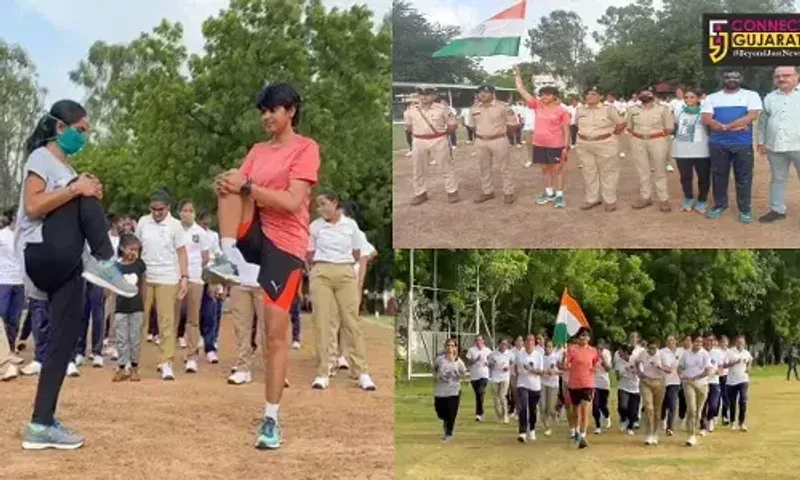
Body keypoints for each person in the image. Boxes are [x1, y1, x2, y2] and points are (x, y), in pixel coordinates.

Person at [202, 82, 325, 450]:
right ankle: (225, 257)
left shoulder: (306, 149)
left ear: (290, 111)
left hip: (286, 245)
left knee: (274, 333)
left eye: (272, 110)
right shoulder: (256, 150)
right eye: (263, 111)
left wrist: (248, 186)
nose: (266, 117)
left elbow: (291, 202)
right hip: (253, 232)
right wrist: (235, 184)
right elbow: (240, 188)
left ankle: (271, 417)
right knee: (229, 179)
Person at [16, 100, 137, 450]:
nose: (84, 137)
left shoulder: (68, 169)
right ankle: (105, 261)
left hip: (67, 262)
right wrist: (76, 190)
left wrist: (84, 188)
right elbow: (33, 206)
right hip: (42, 252)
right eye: (80, 130)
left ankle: (40, 425)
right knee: (83, 192)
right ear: (60, 128)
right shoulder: (41, 157)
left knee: (64, 342)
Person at [306, 191, 376, 391]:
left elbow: (357, 253)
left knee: (351, 322)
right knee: (322, 321)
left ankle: (361, 371)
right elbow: (309, 253)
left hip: (345, 272)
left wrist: (346, 267)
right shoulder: (315, 227)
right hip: (321, 271)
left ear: (335, 203)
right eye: (318, 206)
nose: (320, 209)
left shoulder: (350, 225)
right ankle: (323, 371)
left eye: (324, 204)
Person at [136, 188, 189, 381]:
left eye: (160, 209)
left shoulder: (175, 226)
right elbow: (137, 247)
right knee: (140, 318)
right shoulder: (143, 222)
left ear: (168, 208)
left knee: (166, 321)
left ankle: (166, 361)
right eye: (153, 209)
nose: (157, 213)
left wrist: (184, 277)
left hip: (168, 277)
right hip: (146, 276)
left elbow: (182, 252)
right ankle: (133, 360)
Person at [702, 70, 763, 223]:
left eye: (735, 77)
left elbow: (751, 116)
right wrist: (735, 126)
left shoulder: (751, 95)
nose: (731, 79)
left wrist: (726, 126)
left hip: (742, 144)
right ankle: (720, 205)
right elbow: (706, 119)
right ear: (723, 79)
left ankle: (745, 210)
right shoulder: (712, 97)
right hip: (718, 144)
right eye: (728, 77)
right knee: (719, 176)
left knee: (744, 178)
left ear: (740, 79)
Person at [514, 65, 572, 208]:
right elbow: (521, 90)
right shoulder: (537, 105)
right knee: (545, 169)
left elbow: (566, 129)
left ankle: (559, 195)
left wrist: (566, 147)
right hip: (539, 144)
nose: (543, 97)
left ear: (555, 96)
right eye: (541, 95)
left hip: (556, 145)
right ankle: (549, 192)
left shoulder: (562, 111)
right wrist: (517, 74)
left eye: (547, 94)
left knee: (558, 170)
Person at [757, 66, 800, 223]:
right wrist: (761, 141)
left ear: (797, 76)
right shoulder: (769, 97)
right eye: (778, 76)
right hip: (775, 146)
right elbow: (763, 122)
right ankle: (777, 210)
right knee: (777, 178)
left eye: (787, 75)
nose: (782, 79)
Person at [405, 86, 459, 205]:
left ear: (435, 95)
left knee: (446, 166)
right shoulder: (411, 110)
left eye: (428, 93)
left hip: (438, 139)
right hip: (419, 140)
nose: (424, 96)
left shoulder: (443, 109)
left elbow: (452, 125)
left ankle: (452, 191)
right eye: (421, 93)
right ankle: (420, 193)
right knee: (418, 168)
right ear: (417, 95)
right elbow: (409, 127)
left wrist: (442, 135)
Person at [574, 87, 626, 212]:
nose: (590, 96)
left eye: (593, 94)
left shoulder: (609, 110)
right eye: (587, 94)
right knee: (588, 171)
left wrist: (610, 134)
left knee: (608, 172)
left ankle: (610, 200)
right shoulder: (580, 110)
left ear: (601, 97)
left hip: (605, 144)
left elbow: (621, 124)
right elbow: (577, 124)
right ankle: (592, 199)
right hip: (584, 144)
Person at [175, 200, 211, 373]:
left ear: (194, 213)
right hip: (175, 278)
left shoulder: (201, 233)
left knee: (193, 319)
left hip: (195, 278)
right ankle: (167, 357)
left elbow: (205, 257)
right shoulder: (174, 229)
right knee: (172, 318)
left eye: (190, 210)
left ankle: (191, 356)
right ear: (179, 213)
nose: (187, 213)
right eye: (184, 210)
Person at [626, 88, 675, 212]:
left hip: (657, 140)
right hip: (638, 141)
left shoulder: (663, 109)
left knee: (660, 170)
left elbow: (669, 128)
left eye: (647, 93)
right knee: (643, 171)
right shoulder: (632, 110)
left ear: (653, 95)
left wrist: (655, 135)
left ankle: (663, 199)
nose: (644, 95)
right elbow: (630, 127)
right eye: (641, 93)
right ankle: (646, 197)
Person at [471, 84, 519, 204]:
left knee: (505, 167)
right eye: (480, 92)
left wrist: (502, 135)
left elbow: (512, 125)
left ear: (493, 93)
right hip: (481, 141)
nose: (482, 94)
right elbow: (472, 126)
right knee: (483, 167)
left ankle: (508, 192)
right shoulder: (474, 108)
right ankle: (487, 191)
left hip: (499, 140)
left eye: (486, 92)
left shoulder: (503, 107)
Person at [112, 234, 146, 382]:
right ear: (122, 248)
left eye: (136, 250)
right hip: (121, 307)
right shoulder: (116, 266)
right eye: (130, 249)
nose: (133, 253)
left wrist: (144, 302)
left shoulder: (139, 265)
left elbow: (143, 284)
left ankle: (134, 367)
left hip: (136, 306)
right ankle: (121, 367)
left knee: (135, 338)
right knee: (121, 338)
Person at [673, 88, 711, 214]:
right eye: (686, 97)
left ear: (698, 99)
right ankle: (688, 198)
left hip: (701, 151)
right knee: (685, 177)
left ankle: (702, 200)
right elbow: (676, 127)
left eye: (692, 97)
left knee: (703, 177)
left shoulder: (705, 112)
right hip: (682, 150)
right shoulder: (678, 111)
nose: (689, 100)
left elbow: (710, 129)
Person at [227, 257, 263, 385]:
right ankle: (243, 368)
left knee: (269, 329)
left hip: (265, 283)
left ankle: (275, 370)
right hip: (239, 282)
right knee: (241, 328)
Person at [563, 328, 599, 449]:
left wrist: (596, 368)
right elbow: (565, 365)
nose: (584, 338)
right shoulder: (572, 349)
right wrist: (564, 357)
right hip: (574, 384)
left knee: (585, 409)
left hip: (588, 384)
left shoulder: (593, 351)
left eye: (586, 336)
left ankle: (583, 436)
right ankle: (577, 431)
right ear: (578, 337)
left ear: (589, 338)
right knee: (575, 412)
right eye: (582, 335)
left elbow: (596, 364)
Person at [634, 338, 671, 445]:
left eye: (654, 348)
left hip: (659, 382)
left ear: (657, 347)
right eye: (650, 348)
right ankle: (649, 433)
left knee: (657, 409)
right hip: (646, 382)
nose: (651, 351)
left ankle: (655, 433)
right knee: (648, 407)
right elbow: (637, 363)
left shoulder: (662, 355)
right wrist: (639, 372)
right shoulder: (643, 354)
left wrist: (660, 367)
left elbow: (669, 369)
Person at [679, 333, 713, 447]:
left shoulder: (705, 354)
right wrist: (681, 375)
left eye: (700, 342)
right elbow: (680, 367)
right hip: (688, 383)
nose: (699, 344)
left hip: (702, 385)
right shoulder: (686, 354)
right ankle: (691, 435)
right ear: (692, 342)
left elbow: (708, 370)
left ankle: (692, 425)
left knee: (698, 412)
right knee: (691, 409)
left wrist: (697, 377)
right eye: (696, 341)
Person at [0, 206, 25, 353]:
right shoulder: (2, 235)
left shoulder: (25, 235)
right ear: (13, 217)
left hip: (20, 281)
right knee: (1, 314)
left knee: (14, 319)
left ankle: (10, 349)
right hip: (3, 280)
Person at [434, 338, 467, 441]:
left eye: (452, 346)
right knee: (440, 413)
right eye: (448, 345)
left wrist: (459, 374)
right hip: (441, 390)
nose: (450, 348)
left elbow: (464, 373)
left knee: (452, 412)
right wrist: (437, 376)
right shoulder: (440, 359)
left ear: (456, 348)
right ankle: (446, 421)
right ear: (445, 347)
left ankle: (449, 433)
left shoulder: (459, 361)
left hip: (454, 390)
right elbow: (434, 370)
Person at [514, 334, 544, 443]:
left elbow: (541, 372)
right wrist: (521, 372)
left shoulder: (538, 355)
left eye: (531, 341)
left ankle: (532, 429)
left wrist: (531, 370)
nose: (529, 343)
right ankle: (522, 432)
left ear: (534, 343)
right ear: (525, 343)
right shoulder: (519, 355)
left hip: (535, 386)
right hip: (522, 384)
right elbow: (516, 369)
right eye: (527, 341)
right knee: (523, 406)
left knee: (533, 409)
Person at [724, 335, 752, 431]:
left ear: (744, 343)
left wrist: (748, 368)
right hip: (732, 381)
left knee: (743, 400)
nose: (740, 344)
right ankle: (732, 421)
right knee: (732, 402)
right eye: (739, 342)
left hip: (743, 379)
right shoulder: (730, 352)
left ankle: (742, 422)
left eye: (742, 342)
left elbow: (749, 361)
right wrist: (734, 363)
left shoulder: (746, 353)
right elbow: (725, 365)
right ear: (736, 342)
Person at [701, 334, 725, 434]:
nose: (710, 342)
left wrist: (718, 371)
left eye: (712, 340)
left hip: (714, 381)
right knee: (702, 405)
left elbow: (720, 366)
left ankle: (710, 419)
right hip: (703, 382)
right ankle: (702, 426)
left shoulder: (717, 353)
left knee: (713, 405)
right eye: (708, 340)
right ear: (704, 341)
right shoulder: (701, 352)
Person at [660, 335, 682, 436]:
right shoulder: (662, 352)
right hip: (664, 381)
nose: (671, 342)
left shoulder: (680, 352)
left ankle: (670, 427)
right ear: (666, 342)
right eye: (669, 341)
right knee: (664, 403)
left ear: (676, 341)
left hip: (676, 381)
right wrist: (666, 368)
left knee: (672, 404)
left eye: (673, 340)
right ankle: (663, 418)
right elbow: (660, 365)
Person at [466, 335, 492, 422]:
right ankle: (480, 413)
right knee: (478, 395)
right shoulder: (471, 350)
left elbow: (491, 362)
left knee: (480, 391)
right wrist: (475, 360)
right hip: (474, 376)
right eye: (477, 340)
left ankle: (479, 414)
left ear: (483, 341)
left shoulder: (488, 350)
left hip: (484, 375)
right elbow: (468, 363)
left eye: (480, 340)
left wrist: (488, 363)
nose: (478, 342)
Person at [615, 345, 640, 436]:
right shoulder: (618, 362)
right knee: (623, 406)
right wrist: (626, 371)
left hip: (635, 388)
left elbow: (640, 372)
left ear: (626, 352)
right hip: (623, 387)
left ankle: (629, 427)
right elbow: (617, 377)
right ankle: (623, 419)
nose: (618, 353)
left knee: (633, 411)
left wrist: (636, 369)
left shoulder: (635, 360)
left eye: (620, 351)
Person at [487, 338, 513, 424]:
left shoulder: (510, 354)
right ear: (499, 344)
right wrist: (492, 364)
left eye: (505, 344)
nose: (503, 346)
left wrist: (508, 368)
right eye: (502, 344)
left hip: (505, 378)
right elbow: (489, 365)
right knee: (496, 399)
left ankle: (505, 415)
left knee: (502, 396)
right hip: (495, 377)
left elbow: (513, 364)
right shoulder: (493, 354)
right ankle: (500, 416)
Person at [591, 338, 613, 434]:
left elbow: (608, 369)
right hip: (593, 382)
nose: (598, 350)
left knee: (603, 405)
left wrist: (602, 358)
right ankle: (598, 425)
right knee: (595, 405)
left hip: (604, 383)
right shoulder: (591, 353)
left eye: (600, 348)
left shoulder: (607, 354)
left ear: (603, 347)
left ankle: (607, 417)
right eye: (597, 348)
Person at [540, 339, 561, 436]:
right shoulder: (541, 357)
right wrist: (542, 372)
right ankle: (547, 427)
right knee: (542, 407)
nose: (547, 348)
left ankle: (555, 413)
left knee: (550, 408)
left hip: (553, 385)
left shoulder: (556, 358)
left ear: (553, 348)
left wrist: (554, 372)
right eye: (546, 346)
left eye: (550, 347)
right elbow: (539, 370)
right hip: (543, 384)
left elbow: (563, 371)